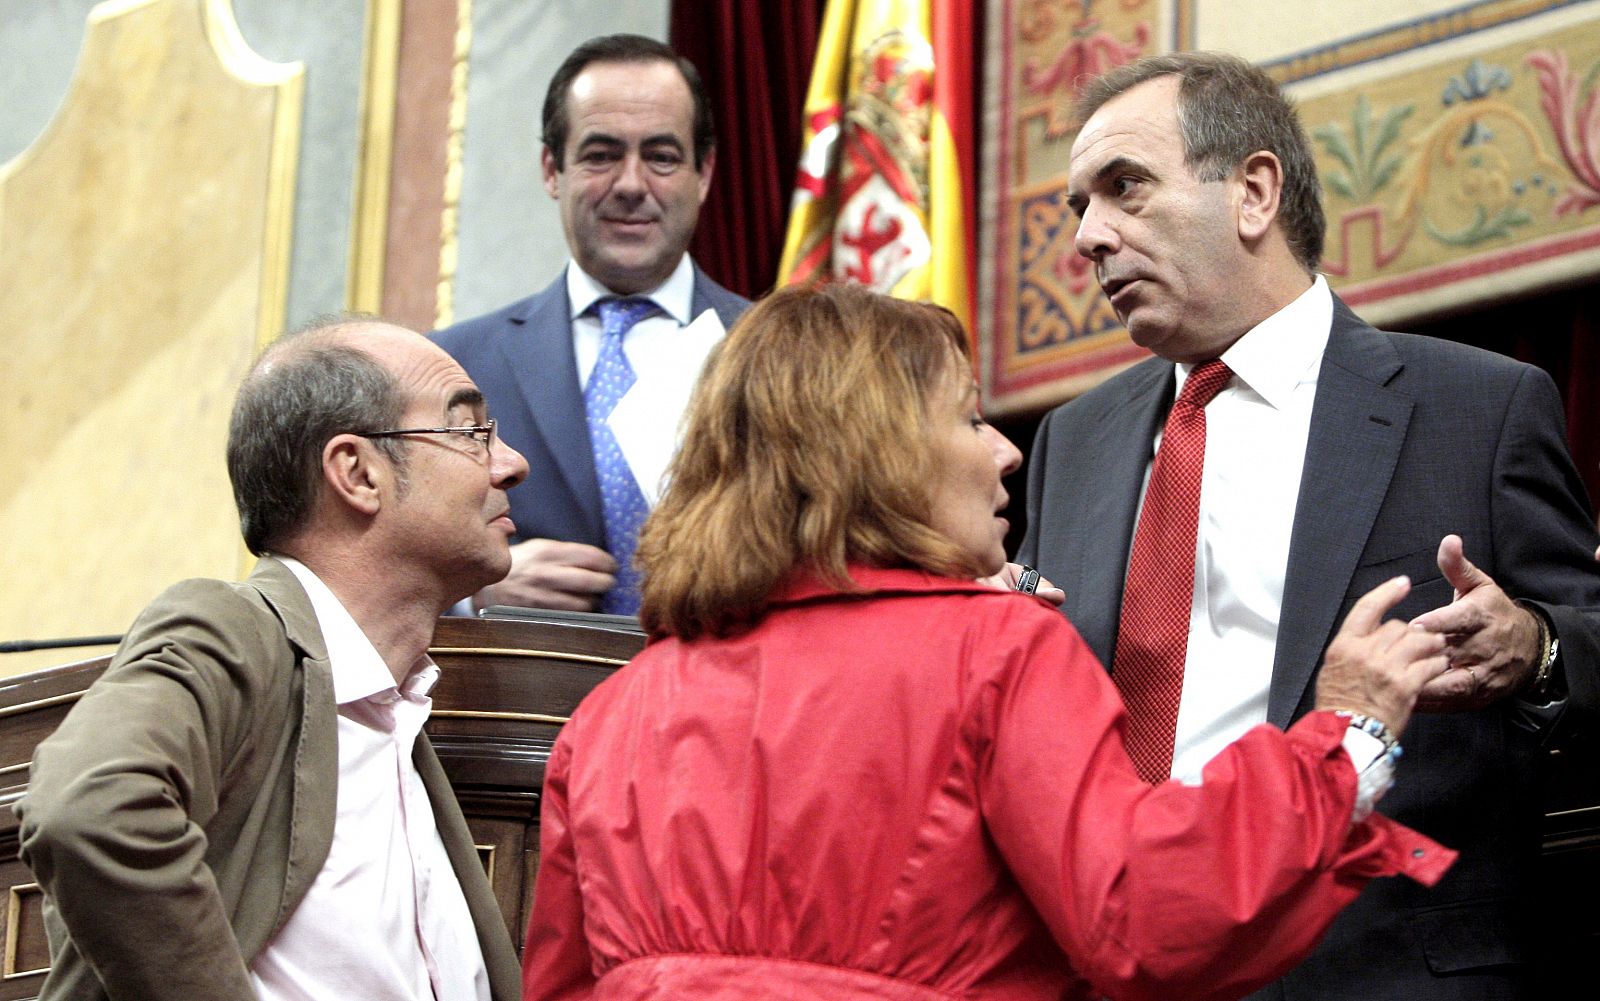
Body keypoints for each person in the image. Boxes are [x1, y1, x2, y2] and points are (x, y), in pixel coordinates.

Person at [521, 284, 1458, 1001]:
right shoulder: (997, 652)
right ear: (878, 450)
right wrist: (1346, 737)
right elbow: (1142, 911)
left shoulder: (608, 712)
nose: (1006, 450)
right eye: (969, 416)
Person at [1019, 51, 1600, 999]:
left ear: (1253, 192)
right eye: (1079, 206)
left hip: (1378, 967)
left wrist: (1532, 647)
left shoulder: (1477, 408)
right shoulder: (1070, 442)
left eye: (1124, 188)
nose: (1089, 236)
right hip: (1112, 968)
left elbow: (1590, 647)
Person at [15, 319, 528, 1000]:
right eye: (470, 431)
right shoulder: (230, 628)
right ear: (357, 473)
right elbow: (87, 804)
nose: (510, 462)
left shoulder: (396, 713)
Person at [435, 33, 749, 616]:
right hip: (525, 702)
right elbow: (379, 565)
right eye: (601, 155)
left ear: (704, 173)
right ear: (552, 168)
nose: (631, 185)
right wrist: (475, 592)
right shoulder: (452, 365)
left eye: (661, 156)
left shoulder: (778, 355)